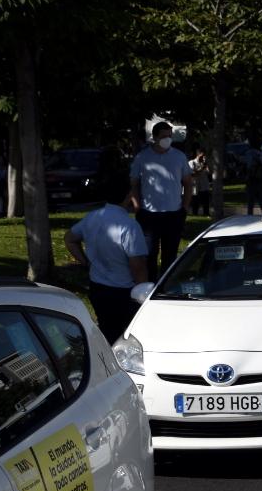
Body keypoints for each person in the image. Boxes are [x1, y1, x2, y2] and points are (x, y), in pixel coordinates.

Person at [67, 158, 152, 342]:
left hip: (98, 288)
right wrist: (144, 295)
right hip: (123, 293)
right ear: (128, 195)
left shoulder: (92, 217)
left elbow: (70, 239)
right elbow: (138, 267)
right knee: (129, 338)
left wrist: (86, 262)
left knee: (106, 332)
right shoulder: (129, 226)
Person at [130, 121, 193, 275]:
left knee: (170, 256)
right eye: (164, 136)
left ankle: (165, 286)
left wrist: (184, 208)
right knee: (149, 255)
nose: (168, 139)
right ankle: (150, 287)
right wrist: (138, 207)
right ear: (155, 137)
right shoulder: (142, 157)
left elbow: (188, 184)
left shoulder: (179, 157)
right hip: (148, 214)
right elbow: (134, 184)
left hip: (174, 214)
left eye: (170, 136)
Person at [243, 141, 262, 216]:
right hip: (260, 181)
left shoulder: (248, 154)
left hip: (251, 181)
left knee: (250, 203)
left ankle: (250, 217)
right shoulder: (261, 154)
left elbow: (246, 167)